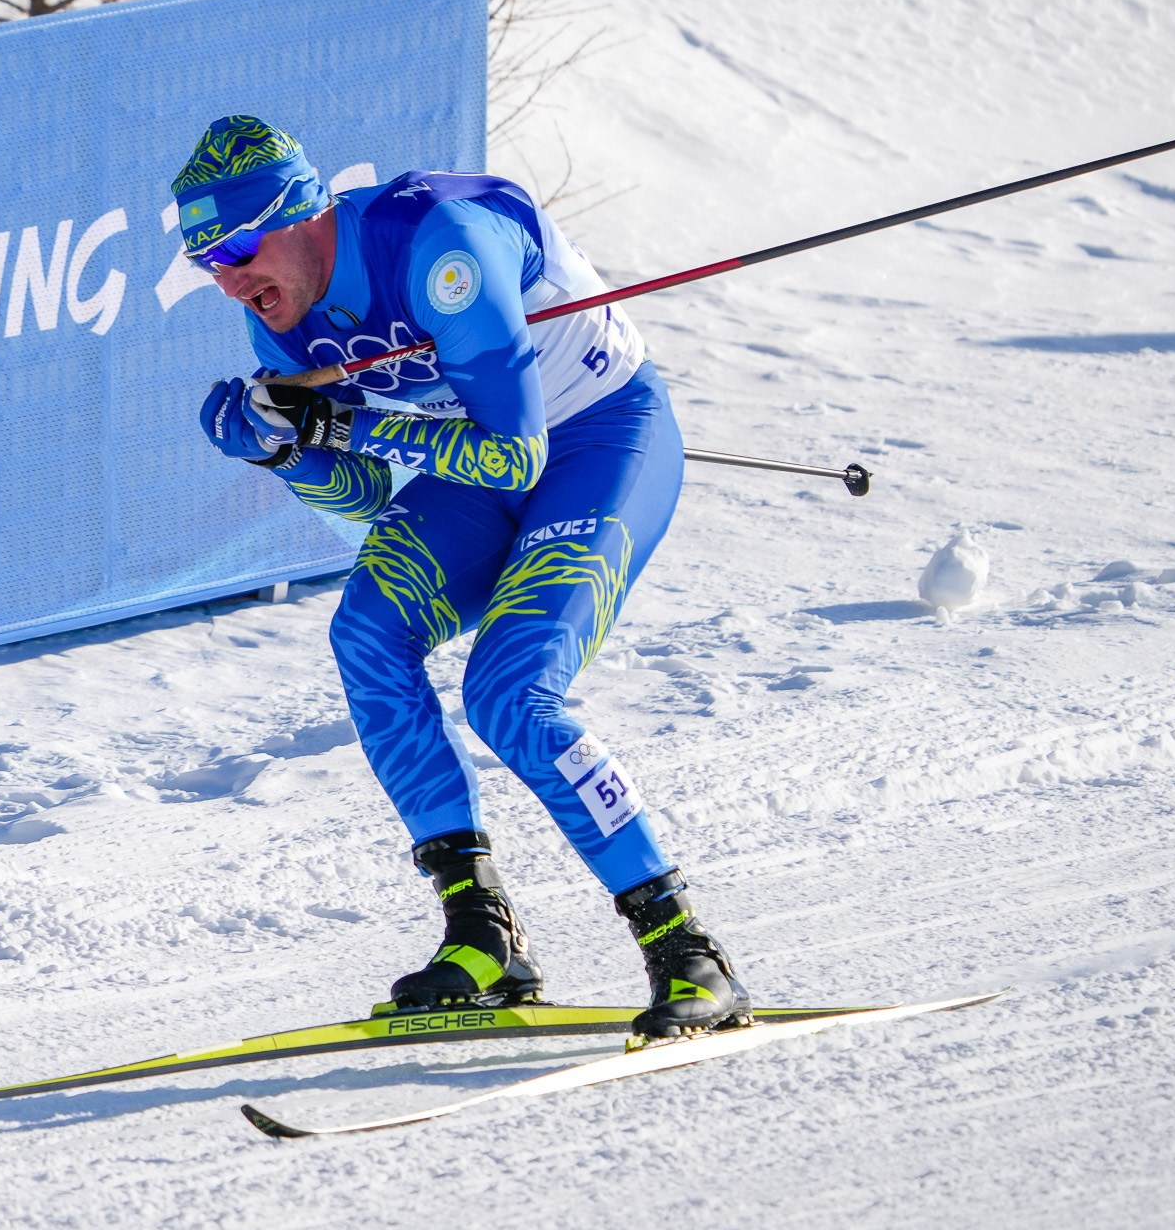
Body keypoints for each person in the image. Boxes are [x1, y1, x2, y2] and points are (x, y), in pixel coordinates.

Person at [180, 115, 749, 1038]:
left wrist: (336, 425)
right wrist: (280, 447)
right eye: (206, 260)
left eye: (240, 245)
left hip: (601, 440)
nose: (231, 278)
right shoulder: (281, 320)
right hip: (471, 467)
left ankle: (686, 947)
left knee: (510, 691)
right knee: (366, 631)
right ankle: (481, 934)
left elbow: (515, 455)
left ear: (303, 213)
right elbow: (364, 498)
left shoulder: (440, 246)